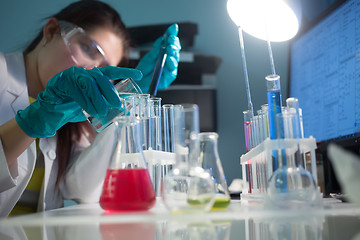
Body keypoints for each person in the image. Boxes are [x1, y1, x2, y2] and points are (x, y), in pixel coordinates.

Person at [0, 0, 181, 217]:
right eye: (87, 48)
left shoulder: (73, 118)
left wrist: (127, 99)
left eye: (102, 68)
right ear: (50, 31)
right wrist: (31, 122)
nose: (90, 71)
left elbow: (82, 190)